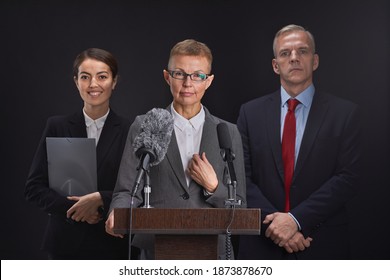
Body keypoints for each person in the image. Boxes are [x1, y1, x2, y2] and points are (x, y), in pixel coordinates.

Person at [105, 39, 247, 259]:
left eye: (198, 75)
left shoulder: (227, 132)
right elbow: (126, 191)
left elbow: (239, 207)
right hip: (156, 251)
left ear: (208, 81)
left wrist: (214, 187)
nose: (188, 83)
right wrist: (118, 211)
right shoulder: (145, 125)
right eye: (180, 74)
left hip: (213, 253)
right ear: (167, 76)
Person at [237, 24, 361, 259]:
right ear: (276, 65)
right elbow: (241, 179)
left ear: (314, 61)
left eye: (302, 51)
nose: (294, 58)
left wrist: (295, 220)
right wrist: (278, 227)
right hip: (261, 245)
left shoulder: (345, 114)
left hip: (321, 243)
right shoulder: (249, 113)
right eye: (285, 53)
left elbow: (348, 179)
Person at [25, 48, 130, 259]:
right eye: (85, 77)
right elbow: (34, 188)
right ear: (76, 82)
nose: (93, 84)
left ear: (114, 82)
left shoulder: (131, 130)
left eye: (102, 76)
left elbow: (137, 190)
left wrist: (101, 199)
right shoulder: (57, 126)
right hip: (65, 244)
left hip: (113, 245)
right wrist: (77, 209)